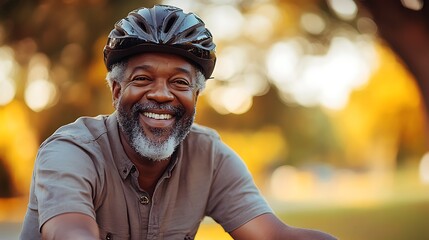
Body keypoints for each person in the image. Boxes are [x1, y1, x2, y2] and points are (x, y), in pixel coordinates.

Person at [20, 4, 337, 240]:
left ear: (196, 97)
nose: (161, 95)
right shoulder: (72, 151)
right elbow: (70, 233)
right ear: (116, 91)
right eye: (143, 78)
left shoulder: (209, 157)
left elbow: (273, 236)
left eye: (180, 83)